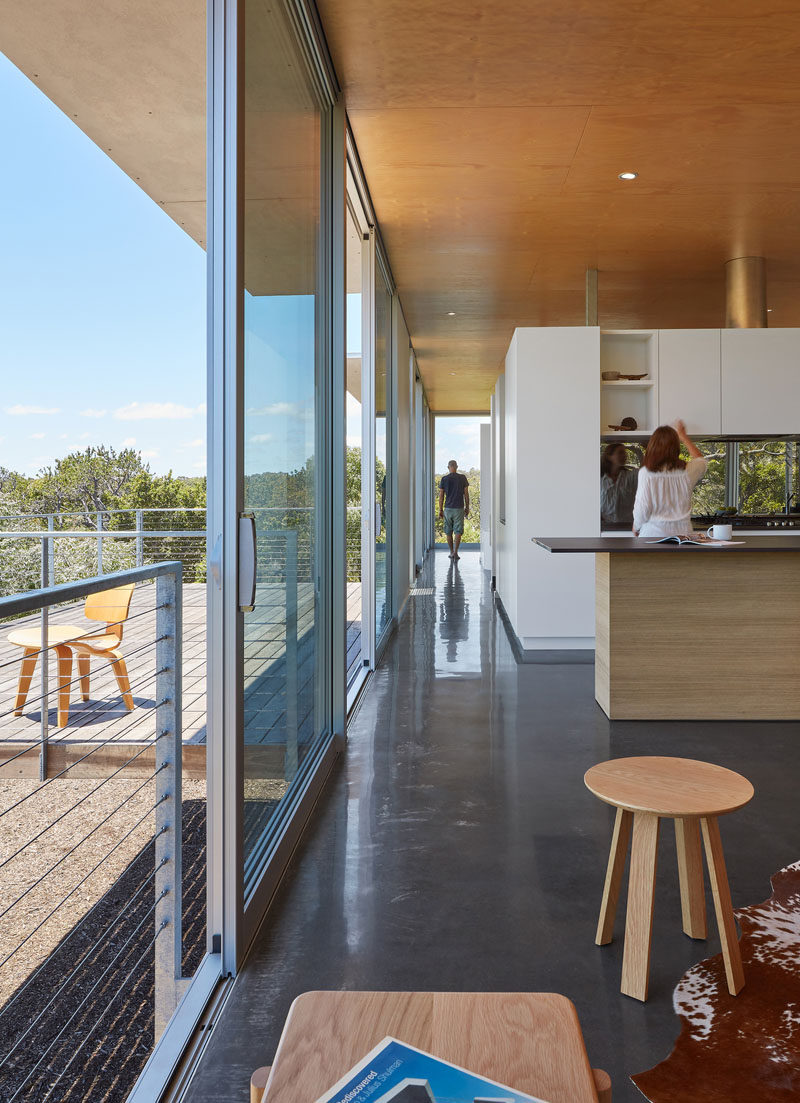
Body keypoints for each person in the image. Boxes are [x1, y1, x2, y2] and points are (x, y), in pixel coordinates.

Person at [632, 420, 707, 538]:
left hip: (653, 536)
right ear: (676, 448)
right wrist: (684, 437)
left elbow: (643, 507)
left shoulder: (646, 473)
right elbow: (701, 461)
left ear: (652, 447)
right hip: (682, 536)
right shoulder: (687, 471)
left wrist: (636, 526)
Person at [600, 443, 639, 526]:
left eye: (625, 453)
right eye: (620, 452)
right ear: (609, 456)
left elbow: (646, 470)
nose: (625, 456)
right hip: (605, 527)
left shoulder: (630, 476)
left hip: (627, 527)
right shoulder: (599, 479)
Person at [438, 459, 470, 559]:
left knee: (448, 531)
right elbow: (466, 494)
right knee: (458, 531)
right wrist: (467, 507)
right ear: (456, 467)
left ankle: (451, 552)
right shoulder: (462, 478)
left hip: (448, 508)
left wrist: (440, 510)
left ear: (448, 467)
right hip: (459, 508)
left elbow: (441, 496)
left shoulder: (444, 479)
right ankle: (456, 552)